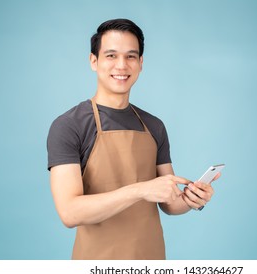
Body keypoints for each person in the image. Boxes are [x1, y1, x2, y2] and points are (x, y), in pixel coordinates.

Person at [47, 18, 220, 260]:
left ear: (140, 63)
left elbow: (170, 203)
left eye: (130, 56)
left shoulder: (154, 126)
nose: (121, 65)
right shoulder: (68, 126)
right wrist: (140, 190)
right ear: (93, 61)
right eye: (111, 55)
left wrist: (191, 199)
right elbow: (69, 212)